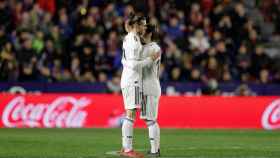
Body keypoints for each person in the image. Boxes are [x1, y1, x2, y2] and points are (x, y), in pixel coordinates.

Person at [120, 13, 160, 158]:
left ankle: (150, 150)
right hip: (134, 82)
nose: (143, 28)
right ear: (136, 26)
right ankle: (127, 149)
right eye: (142, 25)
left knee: (143, 118)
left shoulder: (150, 46)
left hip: (144, 85)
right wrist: (148, 60)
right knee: (132, 115)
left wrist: (125, 62)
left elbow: (130, 62)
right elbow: (133, 63)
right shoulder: (134, 41)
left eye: (145, 26)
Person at [140, 23, 162, 157]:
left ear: (149, 33)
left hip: (150, 86)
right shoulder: (147, 47)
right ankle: (155, 149)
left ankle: (155, 151)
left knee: (151, 120)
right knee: (149, 119)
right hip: (146, 87)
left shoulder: (154, 48)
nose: (140, 33)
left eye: (142, 31)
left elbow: (144, 67)